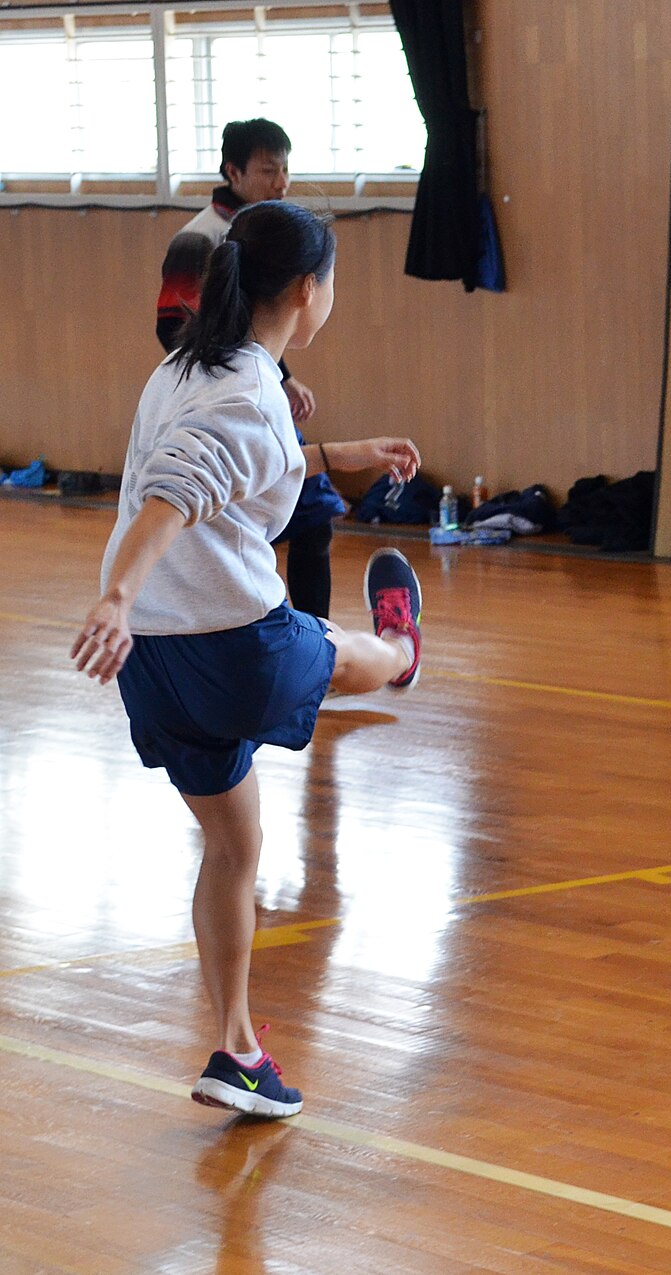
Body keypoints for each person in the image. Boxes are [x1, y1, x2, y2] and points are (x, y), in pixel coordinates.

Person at [75, 201, 426, 1118]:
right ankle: (404, 647)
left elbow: (231, 465)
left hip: (153, 661)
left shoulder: (188, 365)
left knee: (235, 844)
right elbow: (176, 493)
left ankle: (235, 1048)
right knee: (352, 655)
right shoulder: (247, 394)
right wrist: (113, 591)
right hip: (233, 645)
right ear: (310, 290)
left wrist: (332, 454)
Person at [155, 118, 347, 620]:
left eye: (285, 169)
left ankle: (311, 636)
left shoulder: (268, 233)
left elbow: (258, 332)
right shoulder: (199, 240)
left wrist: (282, 378)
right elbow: (176, 329)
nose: (281, 182)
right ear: (233, 172)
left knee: (312, 518)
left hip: (249, 392)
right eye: (268, 170)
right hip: (217, 405)